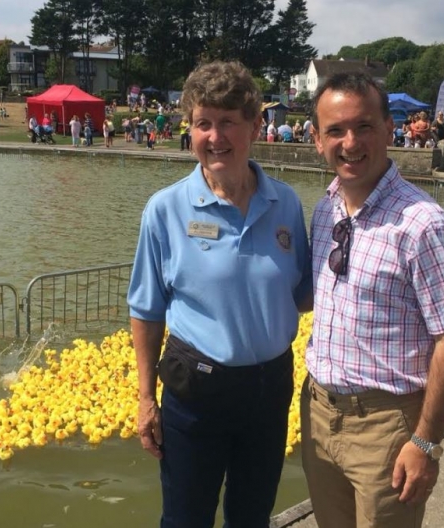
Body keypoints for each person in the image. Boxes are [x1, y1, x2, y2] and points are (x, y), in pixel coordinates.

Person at [127, 60, 311, 528]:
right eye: (202, 124)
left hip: (270, 390)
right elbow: (146, 310)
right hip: (196, 392)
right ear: (189, 130)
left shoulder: (285, 202)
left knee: (252, 516)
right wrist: (146, 398)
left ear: (254, 125)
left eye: (228, 122)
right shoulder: (165, 210)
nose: (215, 136)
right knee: (186, 519)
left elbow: (307, 291)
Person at [302, 71, 444, 528]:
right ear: (318, 139)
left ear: (388, 129)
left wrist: (425, 442)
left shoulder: (423, 224)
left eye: (363, 127)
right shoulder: (325, 210)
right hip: (320, 414)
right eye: (335, 131)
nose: (350, 142)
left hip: (387, 426)